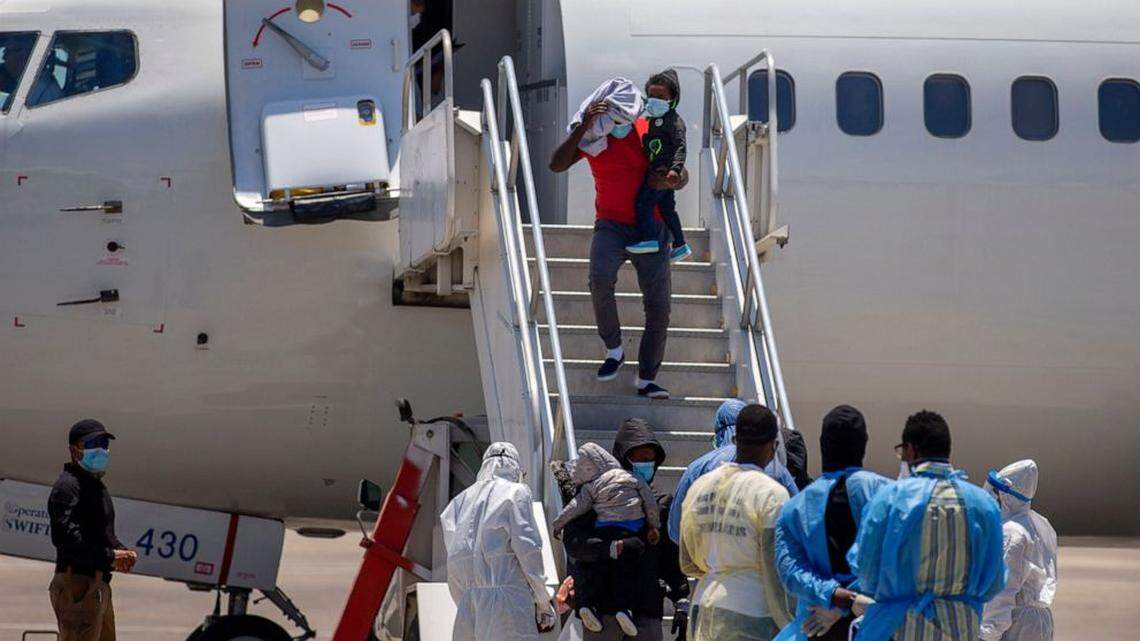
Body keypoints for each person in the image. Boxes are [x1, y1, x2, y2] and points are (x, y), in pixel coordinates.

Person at [549, 80, 690, 399]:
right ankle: (613, 349)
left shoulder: (645, 128)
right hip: (610, 224)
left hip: (651, 227)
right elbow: (556, 164)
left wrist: (673, 179)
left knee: (659, 307)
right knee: (599, 279)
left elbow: (682, 173)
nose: (616, 119)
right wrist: (584, 124)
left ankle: (647, 377)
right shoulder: (594, 136)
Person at [849, 410, 1006, 641]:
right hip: (961, 629)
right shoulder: (984, 505)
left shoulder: (889, 498)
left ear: (911, 450)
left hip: (898, 629)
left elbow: (866, 571)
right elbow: (994, 582)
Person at [561, 418, 690, 641]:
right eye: (639, 459)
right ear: (623, 459)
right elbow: (573, 543)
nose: (646, 465)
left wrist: (681, 598)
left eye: (650, 459)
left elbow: (669, 555)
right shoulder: (594, 498)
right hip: (602, 616)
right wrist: (608, 548)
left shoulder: (659, 503)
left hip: (645, 612)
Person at [773, 405, 892, 641]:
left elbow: (790, 572)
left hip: (814, 627)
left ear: (822, 444)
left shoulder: (794, 507)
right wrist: (853, 600)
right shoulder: (890, 495)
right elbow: (896, 560)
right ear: (864, 443)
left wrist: (836, 598)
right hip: (876, 624)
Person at [679, 404, 794, 641]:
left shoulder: (700, 487)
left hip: (703, 607)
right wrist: (791, 623)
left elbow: (688, 562)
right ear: (773, 445)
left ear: (735, 438)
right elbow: (775, 571)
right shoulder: (772, 494)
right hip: (751, 613)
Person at [440, 442, 557, 641]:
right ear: (515, 468)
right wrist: (543, 598)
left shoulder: (458, 502)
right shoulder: (516, 493)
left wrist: (467, 597)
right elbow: (528, 549)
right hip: (508, 602)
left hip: (468, 603)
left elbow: (455, 559)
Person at [551, 443, 662, 635]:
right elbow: (650, 503)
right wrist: (653, 524)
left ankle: (587, 605)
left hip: (604, 530)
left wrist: (557, 524)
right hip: (630, 529)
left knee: (599, 569)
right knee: (623, 570)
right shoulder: (633, 479)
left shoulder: (592, 487)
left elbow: (575, 507)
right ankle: (623, 609)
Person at [47, 419, 138, 641]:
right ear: (74, 449)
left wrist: (120, 551)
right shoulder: (67, 487)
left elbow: (103, 534)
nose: (101, 450)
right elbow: (66, 539)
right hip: (78, 586)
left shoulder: (95, 486)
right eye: (92, 443)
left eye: (104, 443)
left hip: (98, 585)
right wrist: (109, 556)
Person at [667, 399, 800, 545]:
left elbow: (677, 530)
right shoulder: (776, 468)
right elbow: (797, 521)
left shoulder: (699, 467)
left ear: (719, 431)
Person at [980, 460, 1058, 641]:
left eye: (996, 493)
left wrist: (987, 633)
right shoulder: (1039, 524)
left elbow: (1003, 590)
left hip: (1018, 625)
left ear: (1006, 496)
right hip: (1040, 621)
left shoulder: (1011, 533)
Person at [627, 70, 691, 262]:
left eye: (661, 97)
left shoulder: (674, 122)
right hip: (657, 170)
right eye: (651, 96)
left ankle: (649, 238)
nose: (654, 101)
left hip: (662, 172)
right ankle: (680, 244)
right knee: (667, 210)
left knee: (643, 203)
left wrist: (675, 170)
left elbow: (680, 146)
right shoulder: (651, 121)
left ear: (673, 99)